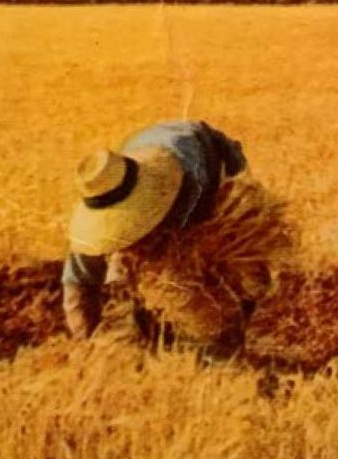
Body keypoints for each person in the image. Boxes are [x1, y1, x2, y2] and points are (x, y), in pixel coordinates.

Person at [61, 120, 248, 340]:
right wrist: (85, 340)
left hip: (207, 153)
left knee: (216, 271)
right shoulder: (105, 189)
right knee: (130, 268)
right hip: (142, 144)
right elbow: (78, 283)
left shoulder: (188, 193)